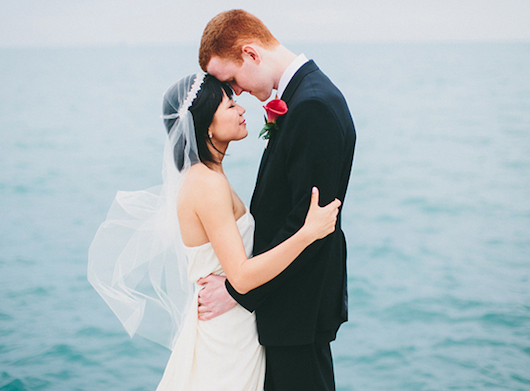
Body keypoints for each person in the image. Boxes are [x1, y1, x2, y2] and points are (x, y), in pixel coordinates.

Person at [88, 72, 341, 390]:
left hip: (231, 325)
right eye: (229, 104)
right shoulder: (206, 185)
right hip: (226, 339)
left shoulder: (207, 177)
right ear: (206, 124)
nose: (241, 109)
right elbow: (242, 277)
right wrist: (308, 232)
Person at [197, 10, 357, 390]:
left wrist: (238, 290)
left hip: (297, 307)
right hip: (292, 305)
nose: (236, 93)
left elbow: (309, 226)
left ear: (251, 54)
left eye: (232, 80)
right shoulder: (305, 96)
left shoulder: (312, 106)